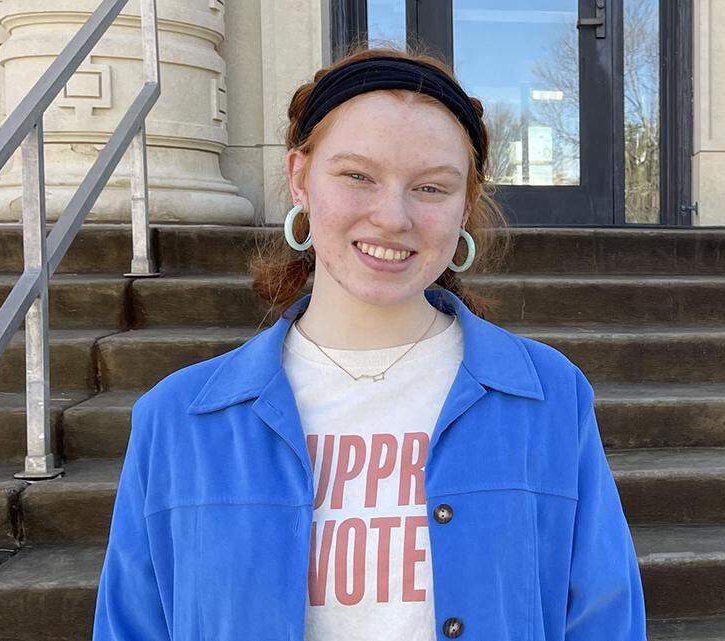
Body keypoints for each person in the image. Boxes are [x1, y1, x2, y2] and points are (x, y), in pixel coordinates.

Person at [92, 44, 646, 641]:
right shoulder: (179, 418)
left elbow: (604, 618)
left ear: (466, 202)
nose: (393, 217)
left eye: (432, 188)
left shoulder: (547, 395)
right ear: (300, 177)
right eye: (358, 176)